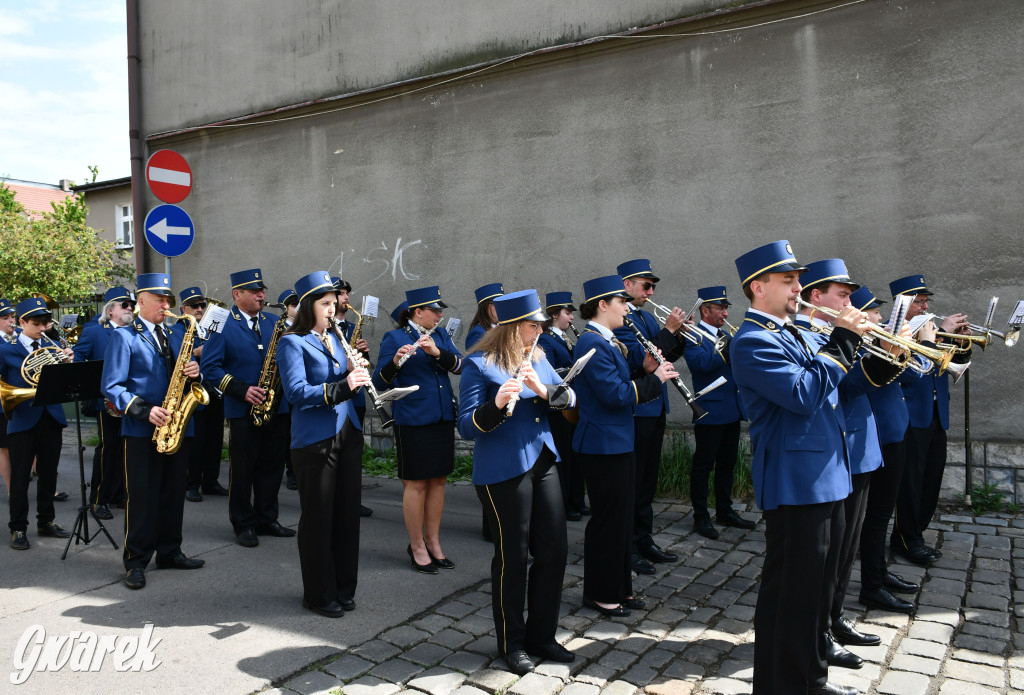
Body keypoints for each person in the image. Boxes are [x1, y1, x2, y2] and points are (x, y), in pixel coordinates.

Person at [729, 241, 866, 695]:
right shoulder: (751, 340)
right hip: (796, 481)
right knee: (791, 595)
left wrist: (851, 340)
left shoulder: (792, 331)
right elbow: (804, 394)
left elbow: (838, 381)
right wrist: (843, 340)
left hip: (826, 475)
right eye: (788, 280)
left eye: (797, 279)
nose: (798, 287)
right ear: (757, 287)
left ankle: (810, 677)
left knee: (815, 593)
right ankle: (781, 685)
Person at [794, 261, 907, 671]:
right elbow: (848, 384)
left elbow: (864, 381)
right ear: (816, 295)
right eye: (842, 294)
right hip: (839, 446)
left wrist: (893, 356)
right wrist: (875, 359)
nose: (850, 302)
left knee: (848, 546)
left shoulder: (834, 333)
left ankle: (835, 617)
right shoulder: (810, 335)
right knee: (831, 552)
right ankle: (821, 628)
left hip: (861, 445)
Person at [458, 289, 577, 674]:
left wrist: (544, 392)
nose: (539, 331)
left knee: (555, 550)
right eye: (532, 326)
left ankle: (543, 636)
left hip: (543, 460)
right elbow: (466, 426)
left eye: (541, 325)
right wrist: (494, 405)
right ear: (511, 328)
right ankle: (513, 643)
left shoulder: (539, 357)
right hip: (502, 470)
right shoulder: (479, 363)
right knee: (513, 557)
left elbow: (569, 396)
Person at [573, 275, 676, 616]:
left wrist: (644, 368)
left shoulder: (608, 340)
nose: (627, 308)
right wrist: (654, 380)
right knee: (607, 521)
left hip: (618, 441)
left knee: (621, 520)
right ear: (603, 305)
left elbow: (620, 381)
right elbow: (613, 394)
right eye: (621, 302)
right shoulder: (591, 341)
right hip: (602, 445)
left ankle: (620, 588)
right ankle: (600, 592)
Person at [101, 273, 205, 588]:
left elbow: (186, 380)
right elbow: (111, 386)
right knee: (143, 497)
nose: (165, 305)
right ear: (141, 301)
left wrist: (194, 374)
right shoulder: (124, 336)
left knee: (173, 494)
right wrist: (145, 411)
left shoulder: (177, 334)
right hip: (141, 429)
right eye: (159, 300)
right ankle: (136, 561)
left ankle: (170, 551)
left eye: (168, 301)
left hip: (177, 426)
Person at [277, 271, 371, 618]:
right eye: (326, 304)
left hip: (348, 432)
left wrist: (353, 371)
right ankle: (318, 594)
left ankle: (344, 589)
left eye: (335, 303)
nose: (334, 309)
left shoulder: (337, 336)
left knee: (347, 517)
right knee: (318, 519)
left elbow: (340, 380)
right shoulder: (292, 342)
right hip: (314, 440)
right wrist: (343, 384)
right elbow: (297, 393)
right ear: (308, 306)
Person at [202, 269, 295, 547]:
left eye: (262, 291)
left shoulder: (272, 322)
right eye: (254, 291)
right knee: (243, 470)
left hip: (276, 408)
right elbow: (210, 368)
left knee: (272, 467)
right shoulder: (222, 324)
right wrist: (242, 390)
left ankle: (267, 518)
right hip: (243, 410)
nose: (261, 295)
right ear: (237, 294)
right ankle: (243, 523)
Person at [373, 286, 463, 574]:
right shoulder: (395, 337)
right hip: (413, 419)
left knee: (438, 481)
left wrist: (437, 353)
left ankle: (433, 542)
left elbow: (460, 365)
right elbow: (380, 380)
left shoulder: (440, 335)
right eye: (435, 310)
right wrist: (397, 361)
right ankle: (416, 546)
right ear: (417, 312)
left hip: (441, 416)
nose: (440, 314)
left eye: (440, 310)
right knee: (416, 484)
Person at [888, 274, 971, 566]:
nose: (925, 307)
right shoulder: (895, 332)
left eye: (926, 301)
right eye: (919, 302)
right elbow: (910, 373)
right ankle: (905, 539)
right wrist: (939, 337)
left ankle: (917, 534)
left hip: (936, 415)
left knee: (931, 479)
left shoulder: (929, 328)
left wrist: (960, 341)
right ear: (904, 304)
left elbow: (957, 363)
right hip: (911, 417)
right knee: (909, 484)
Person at [613, 259, 687, 575]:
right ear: (627, 285)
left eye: (652, 286)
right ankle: (626, 545)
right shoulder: (623, 319)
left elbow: (665, 356)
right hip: (637, 408)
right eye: (646, 285)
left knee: (648, 481)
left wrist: (679, 335)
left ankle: (644, 539)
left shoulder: (644, 316)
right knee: (633, 481)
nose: (651, 291)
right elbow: (641, 361)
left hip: (655, 406)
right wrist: (668, 330)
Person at [859, 285, 930, 615]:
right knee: (875, 516)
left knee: (883, 514)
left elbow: (915, 377)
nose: (879, 316)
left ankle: (880, 573)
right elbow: (905, 379)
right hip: (882, 436)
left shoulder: (878, 341)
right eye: (874, 311)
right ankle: (872, 586)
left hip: (896, 431)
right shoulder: (863, 346)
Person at [2, 297, 73, 549]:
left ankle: (46, 521)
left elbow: (65, 386)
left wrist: (67, 365)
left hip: (51, 417)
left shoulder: (53, 347)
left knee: (49, 474)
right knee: (20, 478)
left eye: (46, 322)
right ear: (22, 322)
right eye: (37, 323)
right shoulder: (6, 350)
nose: (43, 328)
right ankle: (18, 528)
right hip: (22, 419)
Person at [683, 286, 751, 539]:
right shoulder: (693, 335)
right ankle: (701, 517)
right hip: (709, 411)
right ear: (705, 310)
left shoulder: (726, 334)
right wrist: (728, 348)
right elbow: (701, 364)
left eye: (726, 308)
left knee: (727, 464)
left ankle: (725, 510)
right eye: (720, 308)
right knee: (703, 466)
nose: (725, 313)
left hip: (732, 409)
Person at [73, 286, 136, 519]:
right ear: (110, 311)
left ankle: (119, 493)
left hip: (131, 401)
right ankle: (98, 499)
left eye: (131, 304)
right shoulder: (95, 333)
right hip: (106, 402)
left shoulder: (134, 332)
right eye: (125, 305)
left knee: (127, 448)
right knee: (108, 450)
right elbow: (79, 360)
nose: (130, 308)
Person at [173, 287, 228, 503]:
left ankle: (211, 481)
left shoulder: (211, 329)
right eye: (194, 305)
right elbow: (175, 359)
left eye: (202, 305)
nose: (199, 309)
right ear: (183, 308)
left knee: (214, 440)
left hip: (215, 391)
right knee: (197, 441)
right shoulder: (178, 331)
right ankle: (191, 484)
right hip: (193, 393)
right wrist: (195, 353)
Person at [537, 291, 587, 521]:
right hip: (557, 407)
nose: (571, 318)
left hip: (569, 403)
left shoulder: (563, 338)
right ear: (555, 315)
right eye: (568, 313)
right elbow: (550, 373)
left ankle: (577, 499)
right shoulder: (546, 338)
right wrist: (572, 369)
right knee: (563, 456)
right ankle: (565, 504)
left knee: (574, 455)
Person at [333, 277, 373, 518]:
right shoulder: (326, 328)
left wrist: (364, 352)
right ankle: (335, 499)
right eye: (341, 293)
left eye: (347, 293)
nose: (346, 297)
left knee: (353, 452)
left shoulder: (351, 326)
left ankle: (352, 499)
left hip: (355, 397)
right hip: (336, 394)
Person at [278, 288, 300, 491]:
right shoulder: (280, 329)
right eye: (294, 305)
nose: (298, 308)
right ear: (285, 309)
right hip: (284, 390)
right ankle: (291, 472)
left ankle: (297, 470)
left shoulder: (303, 327)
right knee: (288, 432)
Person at [0, 298, 19, 494]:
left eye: (12, 316)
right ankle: (11, 488)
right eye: (5, 318)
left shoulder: (20, 336)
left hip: (23, 399)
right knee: (4, 447)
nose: (11, 321)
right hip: (2, 402)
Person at [465, 283, 504, 350]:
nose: (501, 308)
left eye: (503, 303)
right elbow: (475, 359)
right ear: (485, 307)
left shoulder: (503, 328)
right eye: (496, 303)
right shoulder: (477, 333)